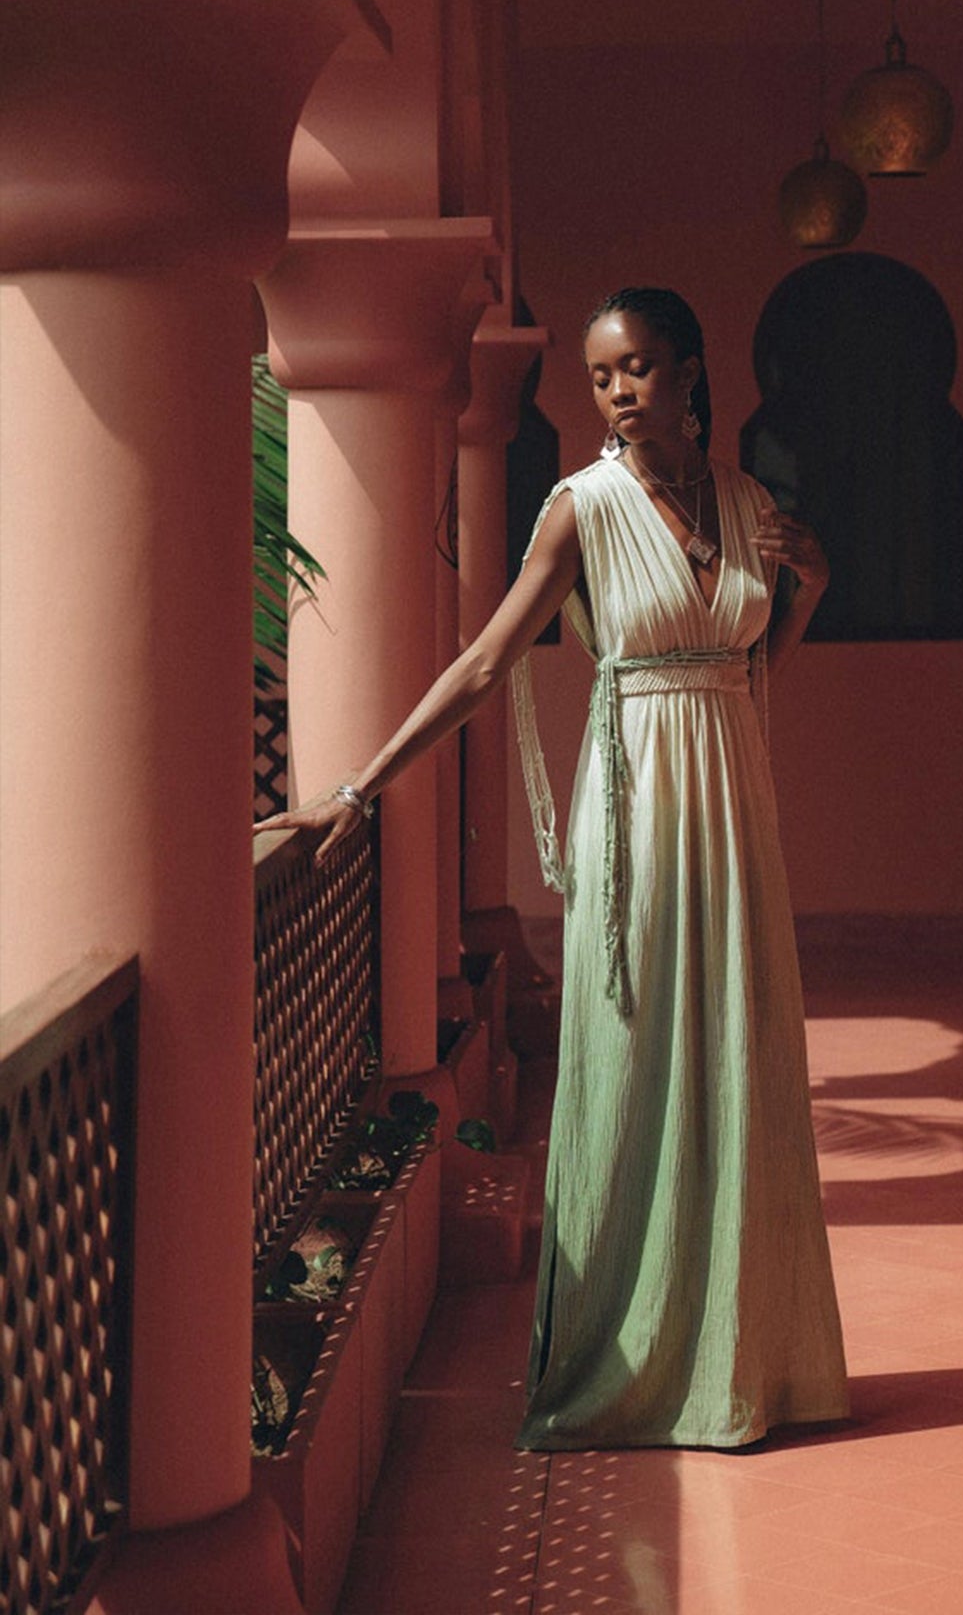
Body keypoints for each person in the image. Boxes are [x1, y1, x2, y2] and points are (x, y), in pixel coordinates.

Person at [258, 286, 849, 1450]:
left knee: (738, 1059)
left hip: (732, 800)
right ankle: (622, 1362)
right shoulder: (581, 509)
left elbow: (752, 669)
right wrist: (362, 782)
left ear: (689, 371)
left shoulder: (748, 503)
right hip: (635, 809)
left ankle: (744, 1358)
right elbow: (486, 657)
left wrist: (810, 589)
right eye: (599, 375)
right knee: (633, 1068)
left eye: (636, 367)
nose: (618, 390)